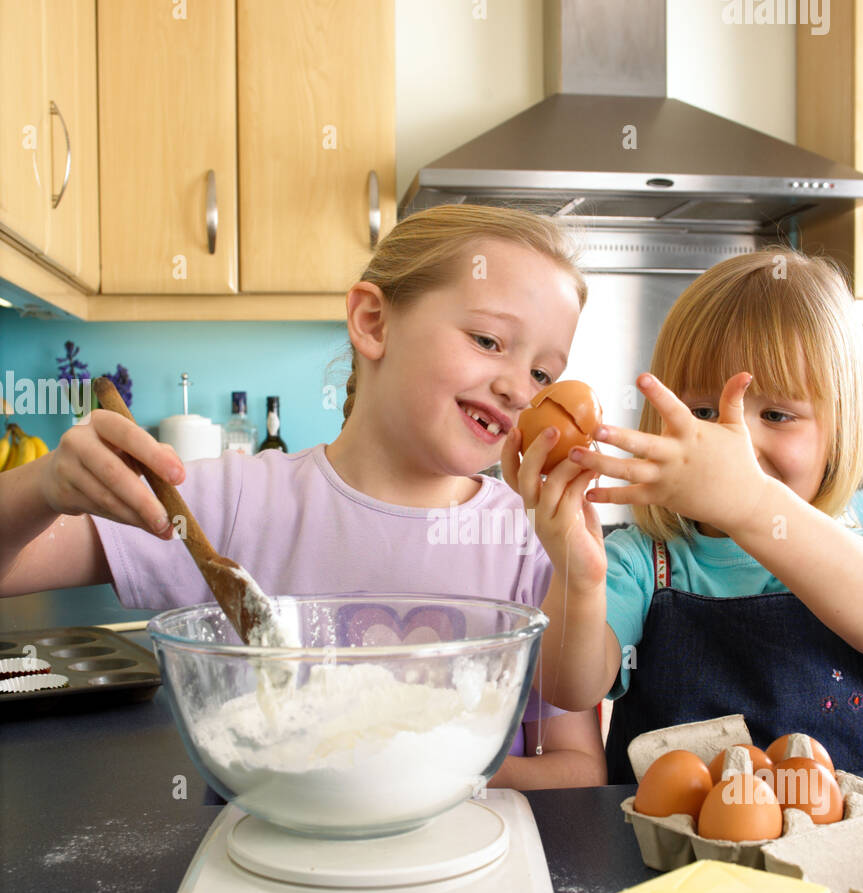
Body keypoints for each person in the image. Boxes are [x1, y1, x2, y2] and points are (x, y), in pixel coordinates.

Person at [0, 205, 606, 790]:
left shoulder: (530, 539)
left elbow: (579, 767)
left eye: (543, 375)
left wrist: (410, 768)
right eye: (489, 340)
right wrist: (45, 486)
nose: (518, 389)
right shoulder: (231, 503)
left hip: (474, 876)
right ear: (373, 322)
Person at [504, 246, 863, 779]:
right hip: (672, 857)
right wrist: (578, 579)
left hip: (851, 855)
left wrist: (751, 503)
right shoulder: (642, 563)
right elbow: (567, 686)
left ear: (838, 435)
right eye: (702, 412)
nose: (735, 441)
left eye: (778, 414)